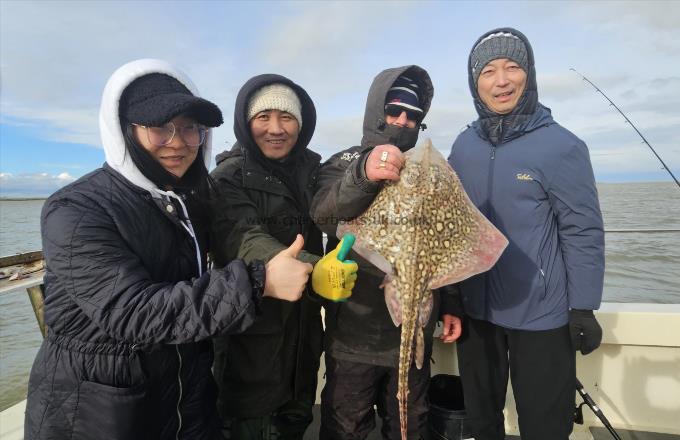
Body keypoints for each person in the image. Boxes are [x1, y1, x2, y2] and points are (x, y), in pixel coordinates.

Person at [23, 59, 312, 440]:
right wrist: (259, 281)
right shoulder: (76, 208)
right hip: (101, 407)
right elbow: (133, 313)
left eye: (191, 129)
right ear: (124, 129)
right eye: (159, 127)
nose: (177, 142)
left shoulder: (188, 201)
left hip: (184, 395)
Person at [446, 28, 605, 440]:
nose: (501, 81)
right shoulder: (463, 146)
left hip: (541, 313)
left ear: (529, 74)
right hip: (476, 311)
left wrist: (583, 307)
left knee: (544, 426)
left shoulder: (561, 146)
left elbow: (581, 229)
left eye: (513, 67)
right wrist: (449, 296)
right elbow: (449, 224)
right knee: (481, 423)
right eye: (489, 71)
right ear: (474, 82)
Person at [310, 66, 463, 439]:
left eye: (413, 116)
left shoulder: (437, 172)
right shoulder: (344, 163)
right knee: (347, 428)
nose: (403, 120)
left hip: (413, 333)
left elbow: (452, 241)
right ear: (376, 111)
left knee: (410, 427)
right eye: (394, 110)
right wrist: (365, 172)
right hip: (353, 335)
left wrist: (453, 302)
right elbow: (324, 214)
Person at [210, 74, 356, 439]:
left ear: (302, 124)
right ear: (246, 123)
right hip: (251, 339)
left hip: (304, 337)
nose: (276, 129)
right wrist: (315, 268)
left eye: (286, 118)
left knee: (295, 422)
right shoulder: (227, 177)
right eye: (263, 118)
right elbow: (244, 238)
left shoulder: (316, 172)